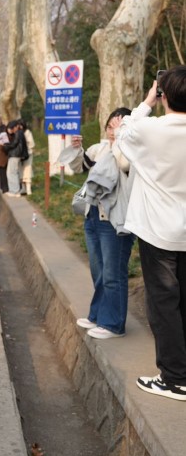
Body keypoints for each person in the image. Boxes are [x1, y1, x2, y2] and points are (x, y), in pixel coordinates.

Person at [115, 67, 186, 399]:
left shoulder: (151, 129)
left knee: (164, 304)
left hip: (158, 232)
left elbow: (122, 130)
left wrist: (147, 101)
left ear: (164, 95)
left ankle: (174, 377)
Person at [69, 108, 135, 340]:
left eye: (118, 127)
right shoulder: (99, 149)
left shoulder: (131, 150)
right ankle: (98, 315)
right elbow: (79, 167)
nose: (112, 131)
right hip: (93, 214)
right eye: (110, 126)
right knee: (99, 270)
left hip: (115, 220)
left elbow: (124, 164)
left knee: (113, 272)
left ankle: (114, 324)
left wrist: (120, 139)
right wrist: (76, 149)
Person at [2, 119, 26, 195]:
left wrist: (6, 145)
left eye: (12, 128)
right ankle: (14, 190)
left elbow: (14, 144)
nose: (11, 130)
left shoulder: (18, 133)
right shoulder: (20, 132)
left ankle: (15, 191)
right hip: (16, 154)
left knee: (11, 173)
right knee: (13, 172)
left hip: (15, 154)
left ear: (16, 127)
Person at [20, 121, 36, 195]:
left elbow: (32, 144)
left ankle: (29, 189)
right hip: (20, 155)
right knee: (21, 171)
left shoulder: (28, 133)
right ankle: (23, 188)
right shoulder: (19, 133)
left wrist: (26, 147)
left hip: (28, 154)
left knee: (28, 171)